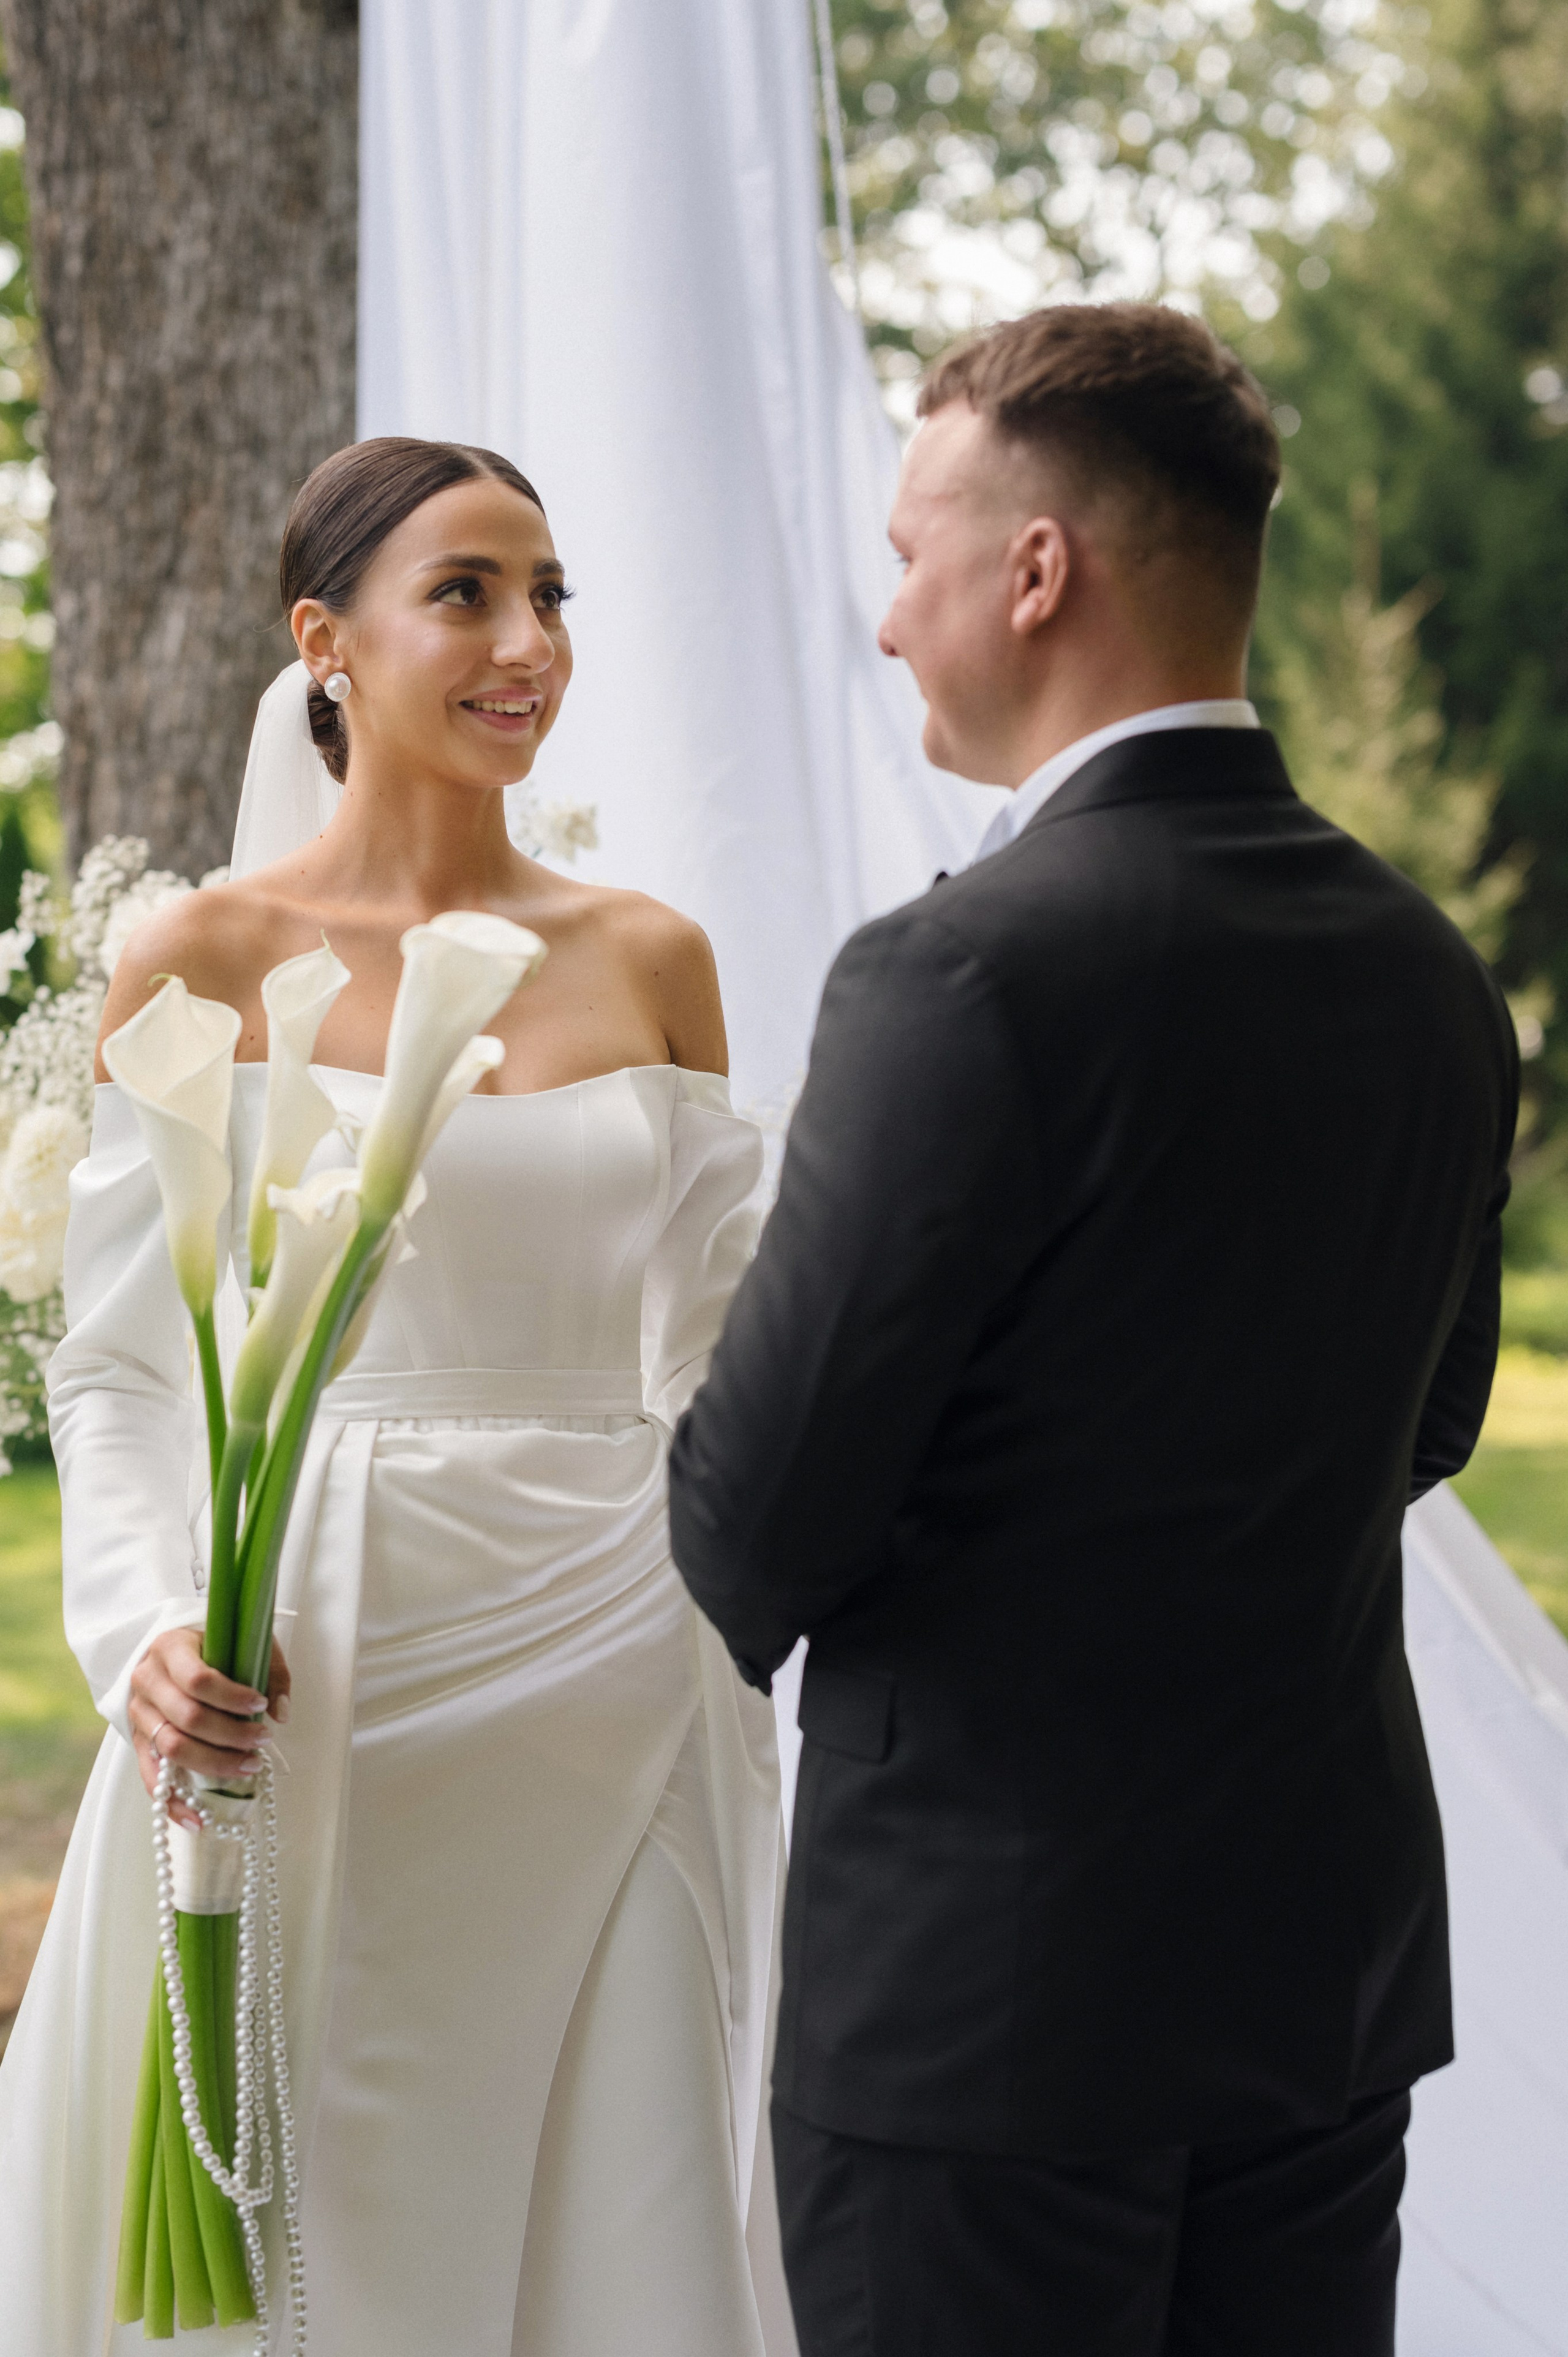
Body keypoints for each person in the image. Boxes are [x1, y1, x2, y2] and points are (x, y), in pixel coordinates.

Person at [668, 304, 1519, 2357]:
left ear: (1034, 570)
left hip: (990, 2018)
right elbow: (1430, 1428)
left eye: (908, 555)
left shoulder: (957, 975)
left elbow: (752, 1522)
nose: (889, 621)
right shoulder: (1427, 975)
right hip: (1319, 1979)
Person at [0, 437, 796, 2356]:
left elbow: (718, 1372)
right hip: (310, 1673)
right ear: (324, 644)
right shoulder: (195, 954)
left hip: (621, 1665)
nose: (529, 641)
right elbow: (113, 1367)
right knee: (317, 2224)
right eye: (467, 594)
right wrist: (146, 1637)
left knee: (630, 2198)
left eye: (551, 597)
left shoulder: (654, 959)